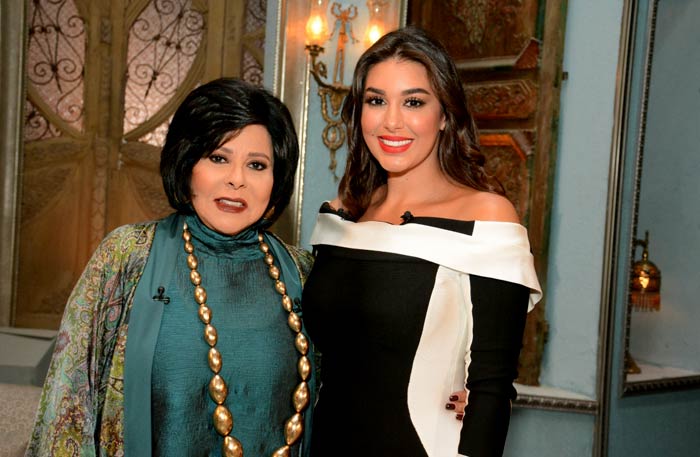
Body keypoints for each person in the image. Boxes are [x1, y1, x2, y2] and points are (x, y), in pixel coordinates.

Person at [26, 78, 315, 457]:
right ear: (187, 162)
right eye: (219, 158)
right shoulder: (127, 256)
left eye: (257, 165)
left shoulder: (302, 273)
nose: (237, 179)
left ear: (277, 179)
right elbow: (69, 408)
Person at [301, 26, 542, 457]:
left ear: (445, 114)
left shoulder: (486, 217)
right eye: (376, 100)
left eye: (413, 102)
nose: (392, 121)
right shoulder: (340, 214)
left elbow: (491, 387)